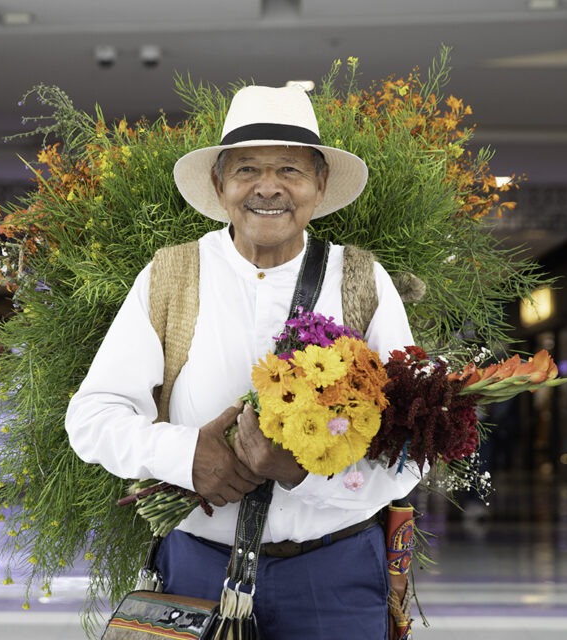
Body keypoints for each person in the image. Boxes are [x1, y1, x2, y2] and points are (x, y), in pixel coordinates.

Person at [66, 85, 419, 638]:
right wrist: (187, 456)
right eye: (247, 168)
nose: (268, 187)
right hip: (196, 569)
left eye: (291, 170)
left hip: (335, 575)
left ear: (320, 184)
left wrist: (307, 475)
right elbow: (92, 416)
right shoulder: (172, 275)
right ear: (219, 183)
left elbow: (413, 451)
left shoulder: (361, 280)